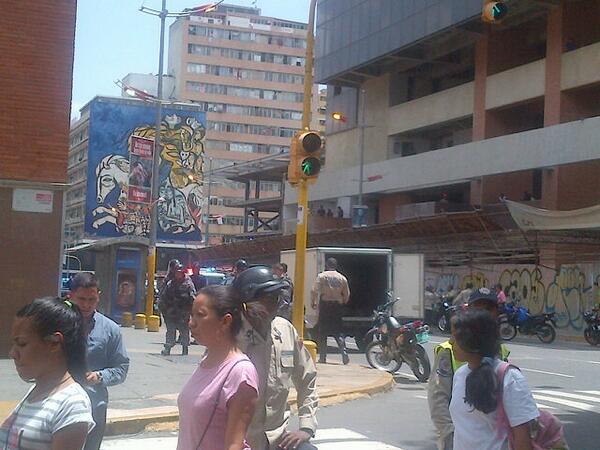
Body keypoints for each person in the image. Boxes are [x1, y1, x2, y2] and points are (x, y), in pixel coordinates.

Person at [232, 266, 318, 450]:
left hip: (278, 439)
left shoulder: (285, 331)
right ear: (247, 302)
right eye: (269, 299)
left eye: (277, 298)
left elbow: (307, 378)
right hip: (241, 442)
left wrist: (306, 426)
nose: (276, 305)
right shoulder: (229, 336)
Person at [1, 297, 95, 450]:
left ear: (53, 343)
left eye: (22, 344)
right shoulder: (37, 390)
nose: (12, 353)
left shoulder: (73, 404)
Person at [177, 286, 259, 450]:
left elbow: (234, 445)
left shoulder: (240, 373)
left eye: (200, 315)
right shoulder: (207, 361)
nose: (191, 323)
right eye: (191, 315)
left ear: (225, 321)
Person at [428, 287, 510, 450]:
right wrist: (449, 434)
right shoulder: (449, 350)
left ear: (496, 313)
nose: (484, 313)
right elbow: (438, 397)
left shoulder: (500, 352)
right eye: (478, 307)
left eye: (489, 308)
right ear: (469, 310)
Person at [449, 309, 538, 450]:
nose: (450, 342)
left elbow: (522, 436)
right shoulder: (460, 374)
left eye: (456, 337)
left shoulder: (510, 377)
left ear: (473, 340)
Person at [69, 273, 129, 450]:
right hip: (61, 403)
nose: (87, 305)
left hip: (94, 406)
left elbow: (121, 368)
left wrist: (99, 376)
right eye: (81, 299)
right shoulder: (60, 323)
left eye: (92, 299)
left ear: (98, 296)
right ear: (71, 295)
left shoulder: (111, 329)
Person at [311, 257, 350, 365]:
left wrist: (313, 302)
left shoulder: (322, 276)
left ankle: (323, 357)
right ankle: (344, 351)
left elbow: (314, 290)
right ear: (336, 266)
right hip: (336, 306)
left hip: (325, 305)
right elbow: (346, 294)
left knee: (323, 331)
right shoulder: (342, 278)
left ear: (327, 265)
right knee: (337, 331)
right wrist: (343, 301)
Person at [158, 259, 196, 356]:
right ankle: (168, 348)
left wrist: (190, 309)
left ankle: (185, 348)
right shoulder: (170, 282)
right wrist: (165, 307)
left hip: (183, 311)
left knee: (184, 330)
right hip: (171, 311)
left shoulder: (187, 283)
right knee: (171, 329)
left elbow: (192, 297)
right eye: (176, 272)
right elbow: (164, 295)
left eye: (179, 272)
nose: (177, 274)